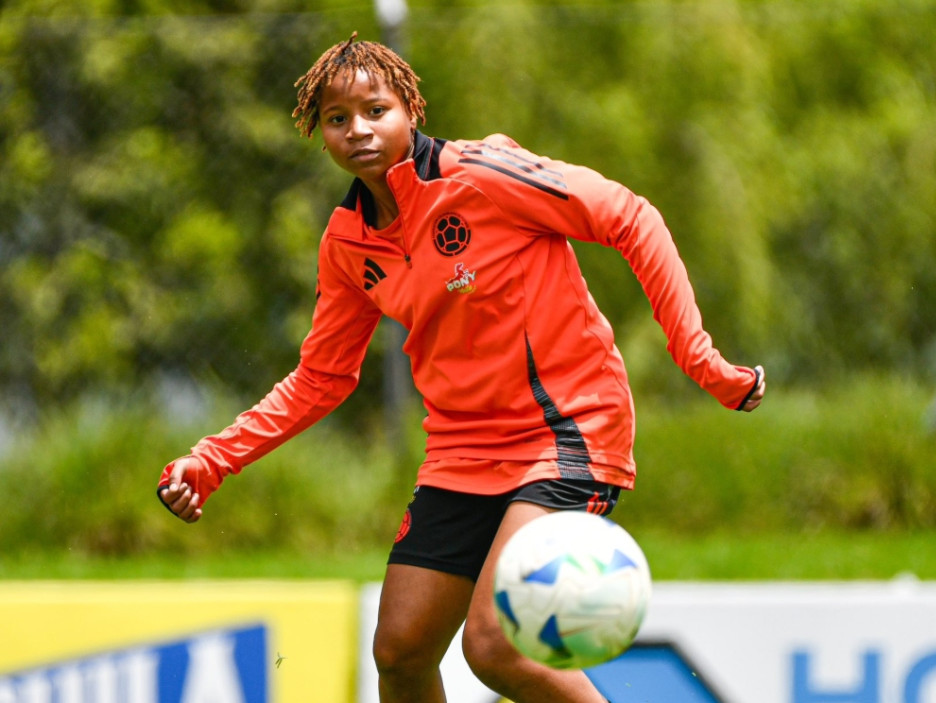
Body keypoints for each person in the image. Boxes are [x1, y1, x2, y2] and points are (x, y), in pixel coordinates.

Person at [158, 33, 766, 703]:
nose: (358, 129)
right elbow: (321, 376)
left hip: (567, 429)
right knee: (400, 649)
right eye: (338, 119)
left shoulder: (482, 176)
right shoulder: (346, 242)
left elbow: (630, 217)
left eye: (375, 109)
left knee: (493, 645)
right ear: (318, 132)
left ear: (410, 109)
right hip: (461, 450)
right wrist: (212, 459)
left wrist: (699, 359)